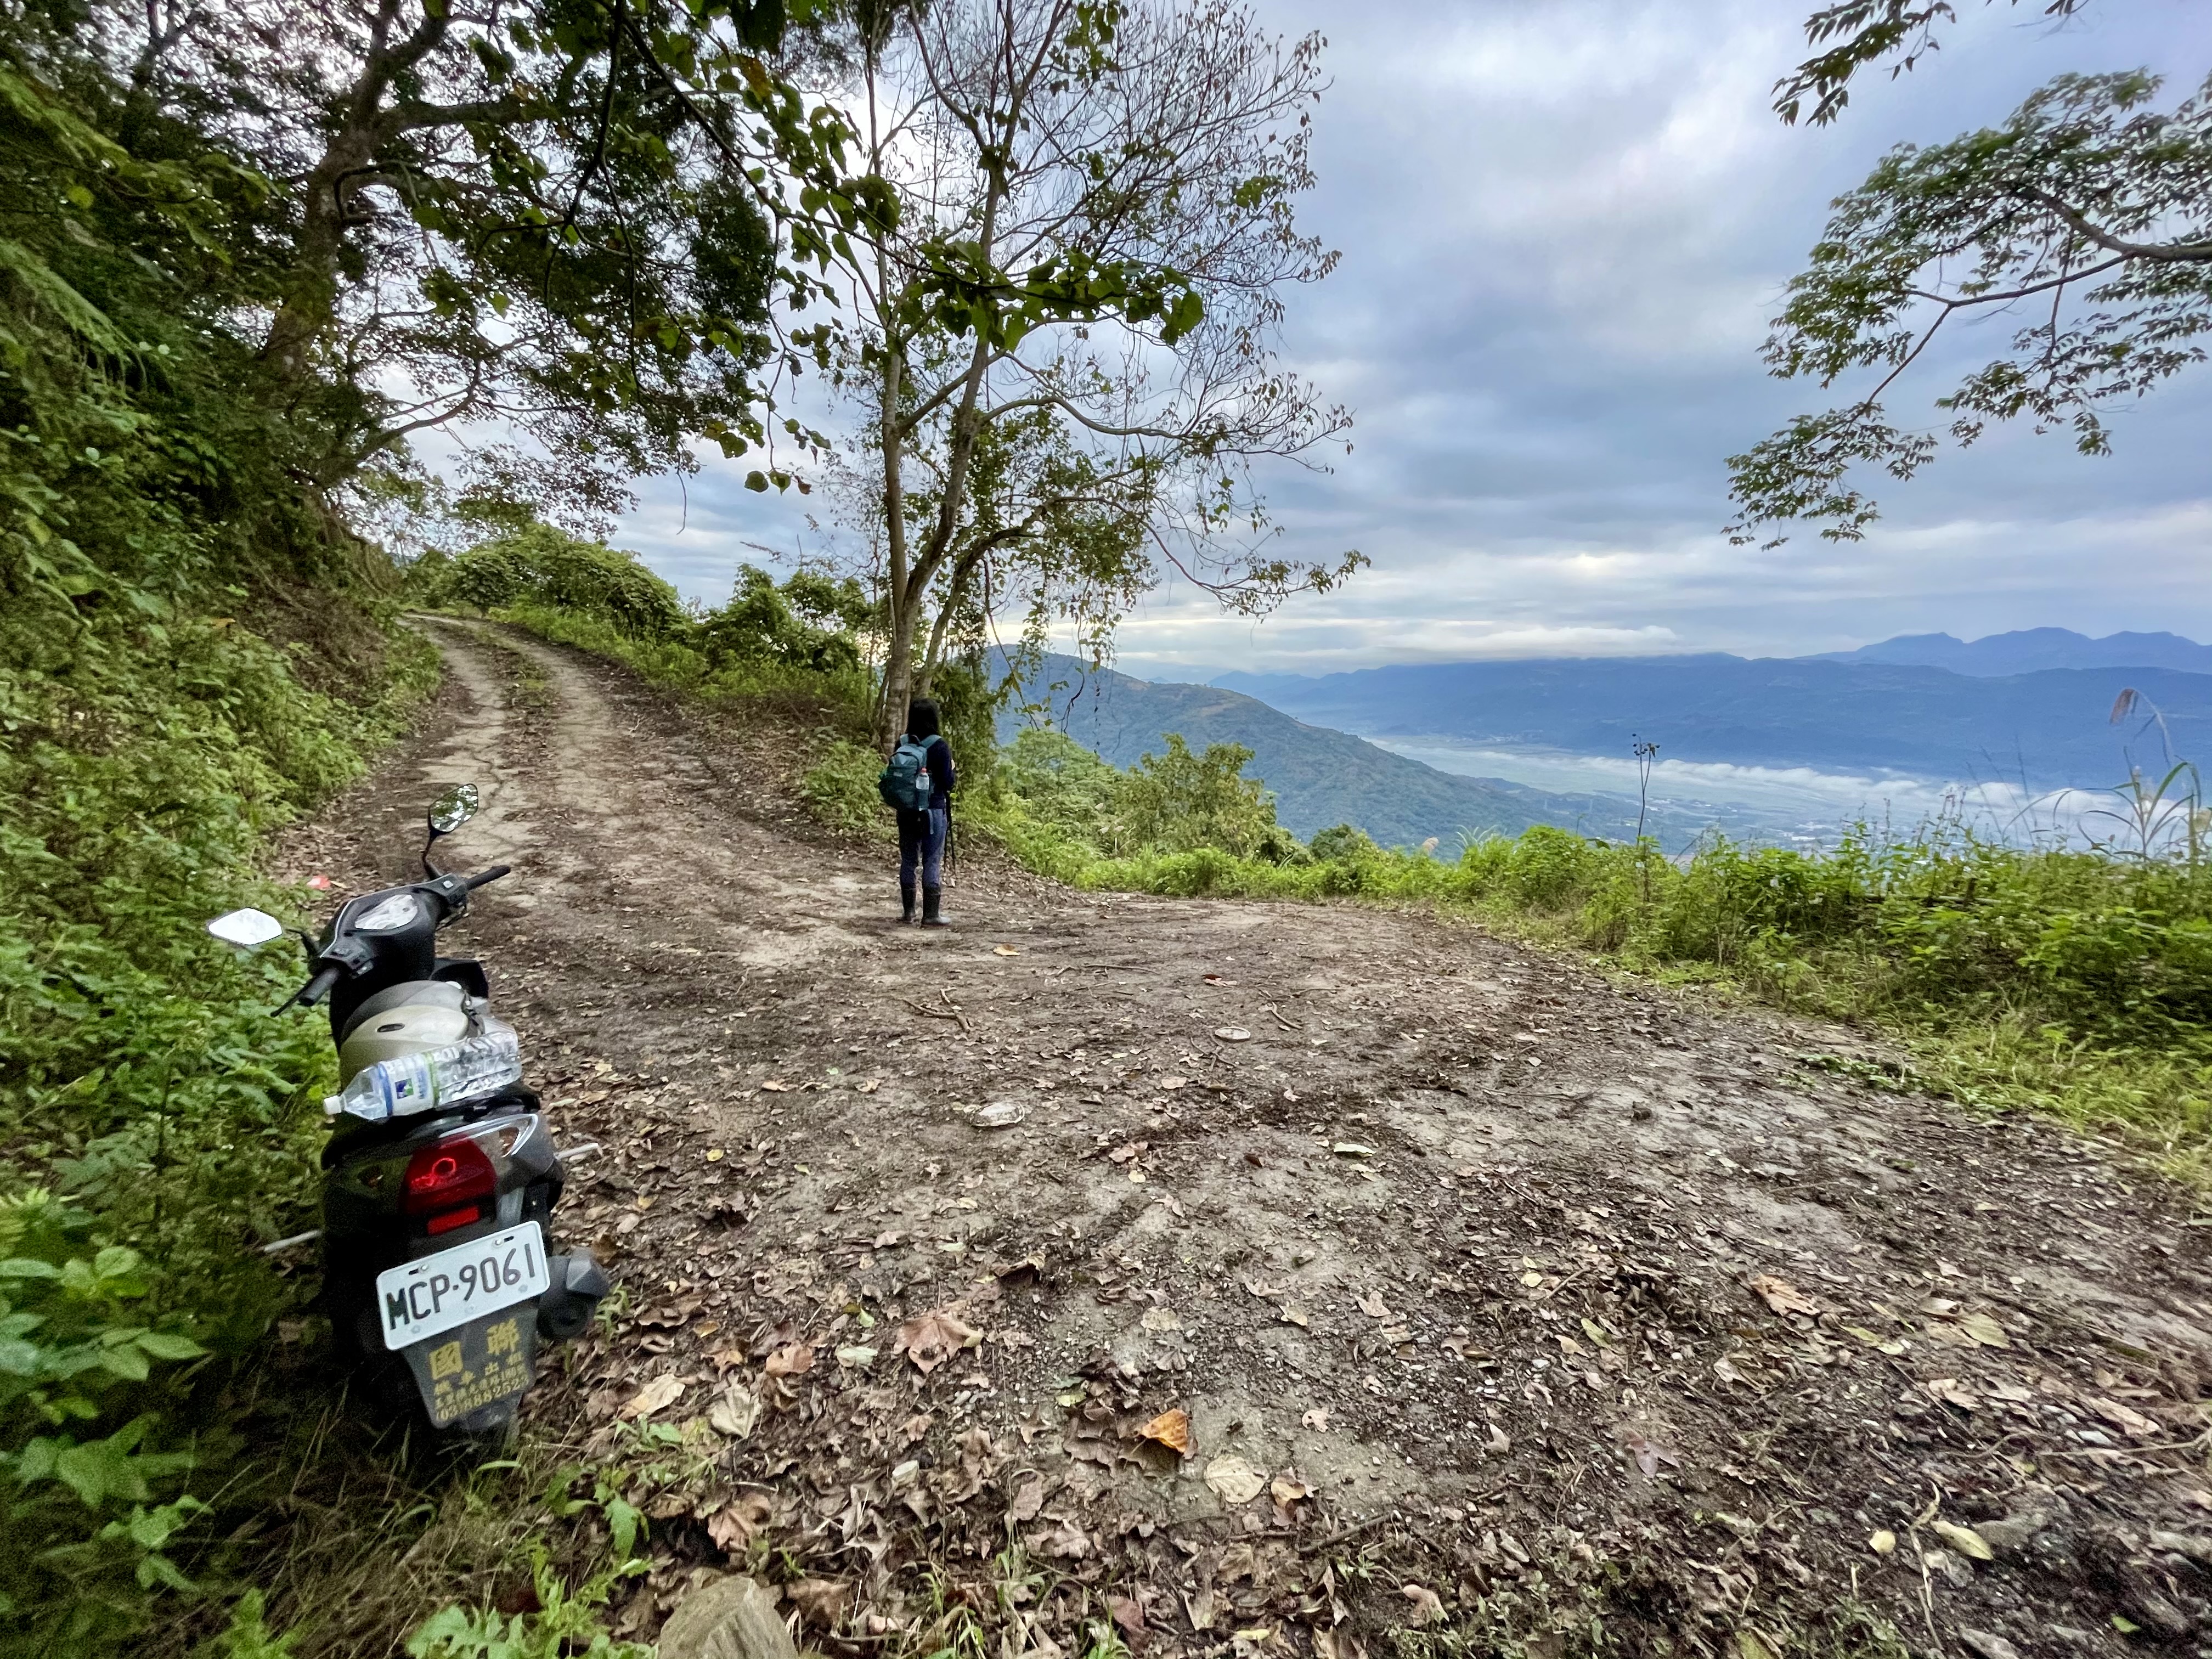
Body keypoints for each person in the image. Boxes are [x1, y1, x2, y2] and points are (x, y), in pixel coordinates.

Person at [897, 698, 956, 928]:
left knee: (909, 859)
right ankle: (931, 915)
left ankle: (908, 912)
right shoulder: (939, 746)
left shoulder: (902, 742)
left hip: (906, 810)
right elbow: (948, 783)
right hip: (933, 811)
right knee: (931, 859)